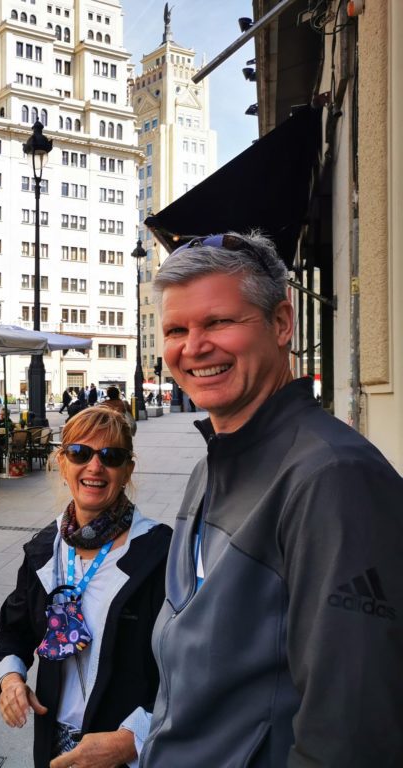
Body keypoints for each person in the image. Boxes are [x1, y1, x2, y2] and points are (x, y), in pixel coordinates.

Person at [140, 232, 403, 766]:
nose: (194, 347)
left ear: (282, 323)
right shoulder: (212, 464)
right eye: (176, 330)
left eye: (219, 322)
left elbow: (349, 735)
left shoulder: (333, 478)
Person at [0, 407, 171, 768]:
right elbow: (15, 630)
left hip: (128, 754)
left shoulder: (160, 554)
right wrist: (10, 677)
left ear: (127, 470)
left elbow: (192, 668)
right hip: (54, 746)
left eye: (111, 456)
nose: (94, 466)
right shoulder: (45, 550)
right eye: (79, 453)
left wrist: (132, 740)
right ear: (62, 463)